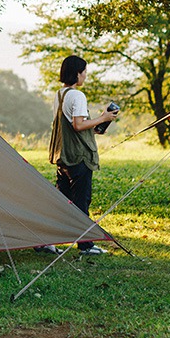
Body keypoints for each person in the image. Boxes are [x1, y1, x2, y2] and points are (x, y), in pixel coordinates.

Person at [42, 54, 120, 255]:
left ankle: (44, 240)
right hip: (79, 157)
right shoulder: (77, 95)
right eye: (84, 72)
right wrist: (103, 117)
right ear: (77, 73)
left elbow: (72, 125)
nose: (85, 76)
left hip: (63, 155)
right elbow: (78, 125)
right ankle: (85, 245)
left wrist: (98, 124)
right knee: (81, 200)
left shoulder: (60, 94)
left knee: (62, 201)